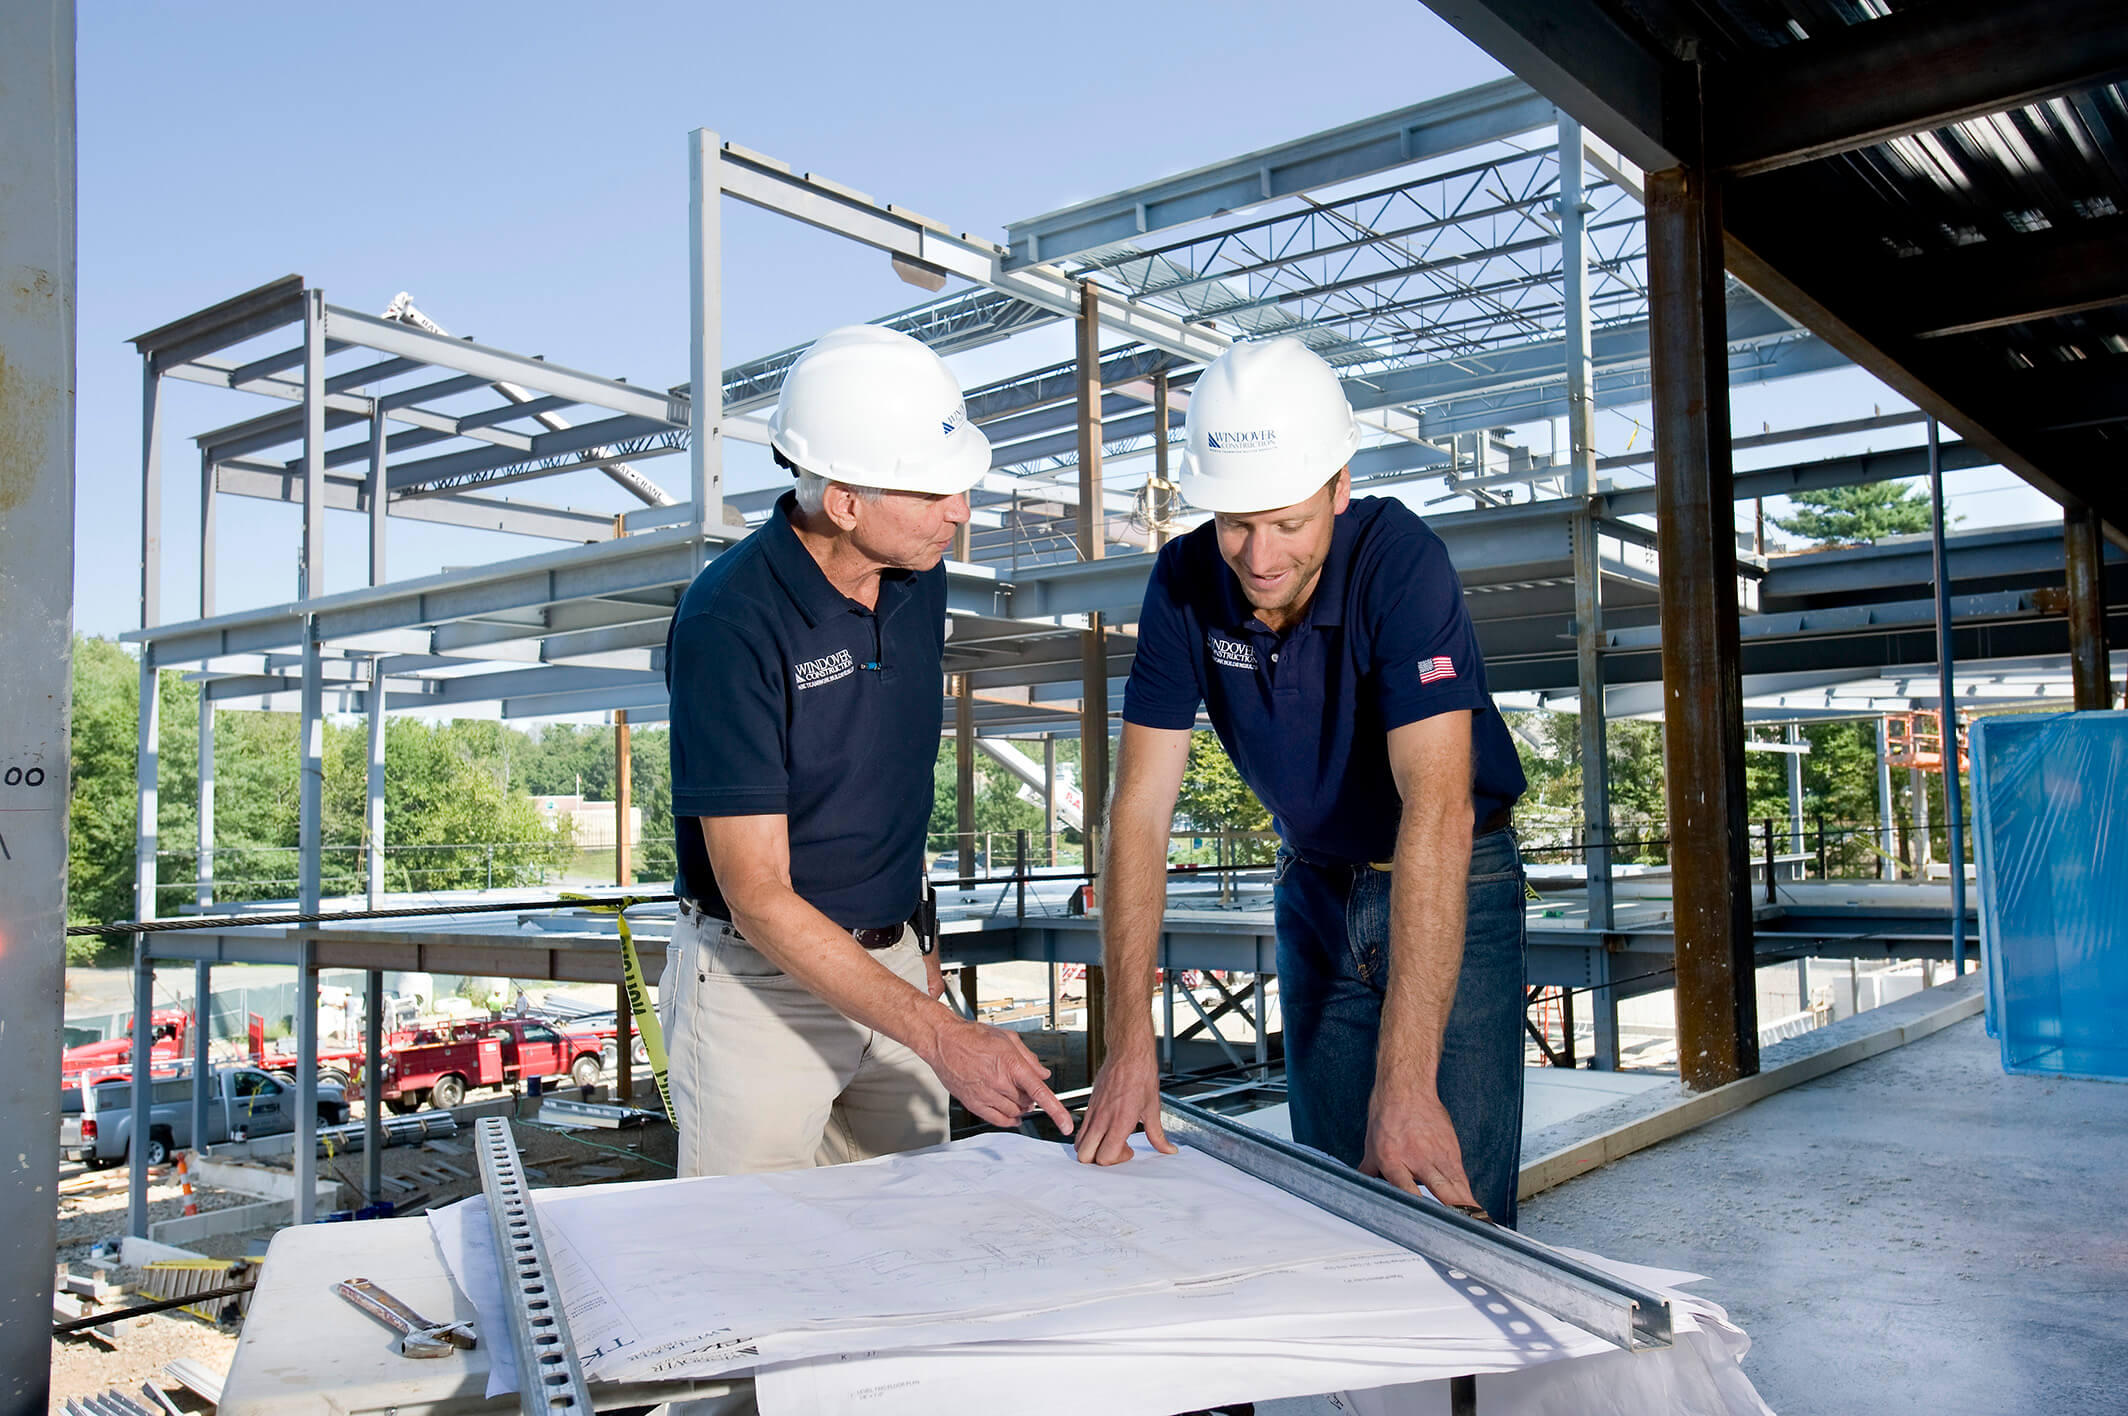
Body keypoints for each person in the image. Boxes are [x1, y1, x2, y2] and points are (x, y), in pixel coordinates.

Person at [1074, 337, 1530, 1225]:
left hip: (1449, 878)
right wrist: (1128, 1042)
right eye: (1236, 524)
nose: (1260, 555)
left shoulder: (1402, 564)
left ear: (1339, 488)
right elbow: (1137, 811)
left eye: (1288, 522)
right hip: (1313, 886)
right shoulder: (1182, 581)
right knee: (1332, 1202)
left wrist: (1408, 1082)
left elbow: (1436, 805)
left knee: (1451, 1201)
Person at [661, 324, 1072, 1179]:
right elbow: (759, 893)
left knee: (909, 1239)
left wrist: (917, 947)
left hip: (892, 964)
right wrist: (944, 1036)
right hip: (760, 988)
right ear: (844, 501)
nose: (961, 514)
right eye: (934, 494)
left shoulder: (920, 579)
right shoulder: (728, 622)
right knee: (753, 1258)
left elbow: (890, 782)